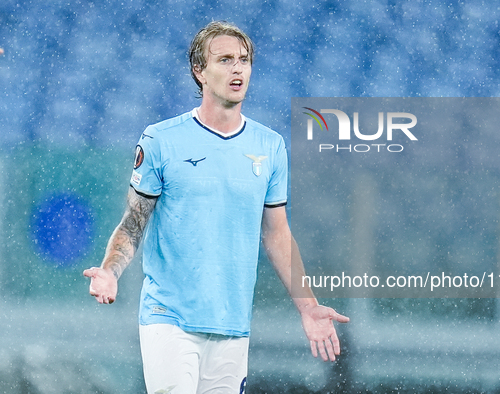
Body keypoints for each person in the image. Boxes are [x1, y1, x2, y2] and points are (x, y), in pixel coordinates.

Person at [83, 20, 349, 394]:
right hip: (169, 317)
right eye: (224, 60)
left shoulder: (269, 146)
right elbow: (133, 223)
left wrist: (308, 306)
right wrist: (111, 271)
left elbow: (276, 233)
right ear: (199, 71)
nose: (237, 68)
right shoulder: (161, 139)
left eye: (244, 60)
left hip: (231, 323)